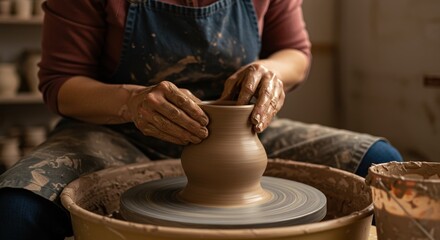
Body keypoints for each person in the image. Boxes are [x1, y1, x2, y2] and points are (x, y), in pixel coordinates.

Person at [0, 0, 403, 239]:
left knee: (383, 164)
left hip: (244, 130)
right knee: (15, 211)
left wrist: (270, 72)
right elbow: (60, 84)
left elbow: (295, 52)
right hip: (117, 129)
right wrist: (132, 101)